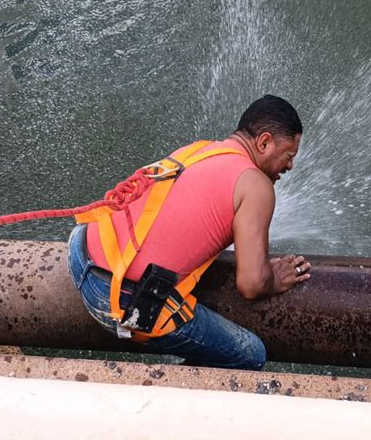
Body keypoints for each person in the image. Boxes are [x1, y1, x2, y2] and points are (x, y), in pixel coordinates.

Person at [67, 95, 310, 370]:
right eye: (289, 156)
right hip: (113, 295)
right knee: (250, 354)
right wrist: (274, 279)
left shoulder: (201, 149)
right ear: (264, 142)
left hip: (80, 247)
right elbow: (251, 284)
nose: (290, 166)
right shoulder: (256, 186)